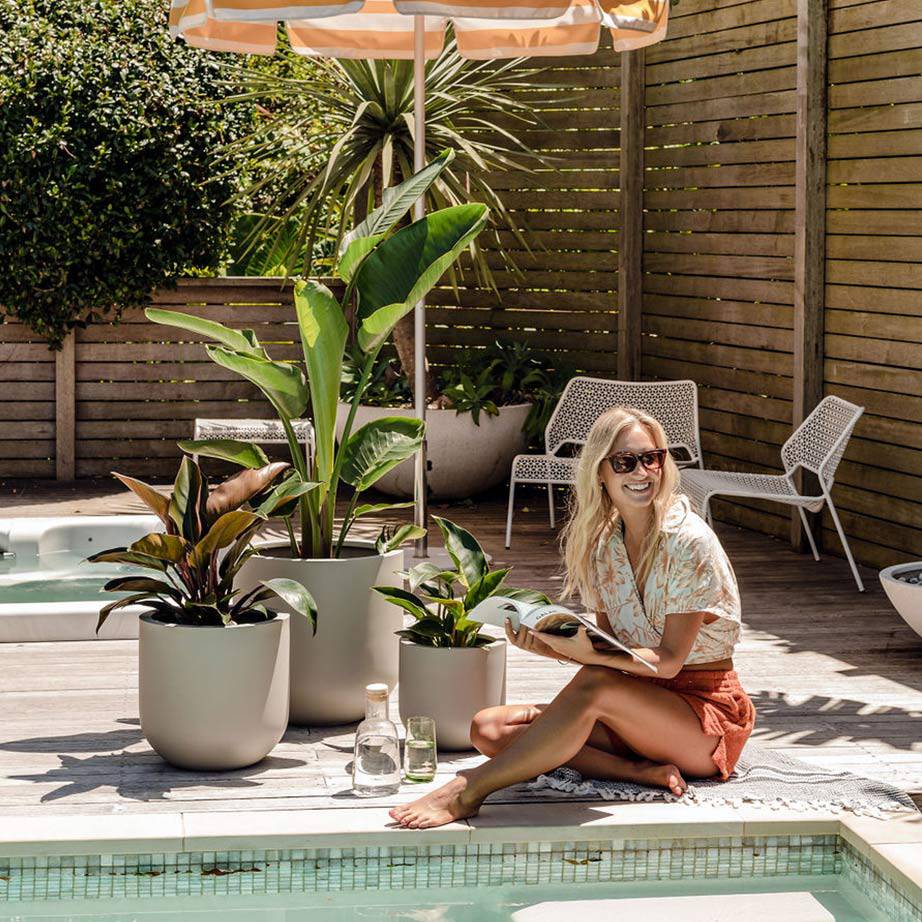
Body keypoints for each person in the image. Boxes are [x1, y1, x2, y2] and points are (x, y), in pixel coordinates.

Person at [389, 405, 756, 830]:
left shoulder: (689, 542)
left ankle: (469, 789)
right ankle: (639, 772)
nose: (642, 472)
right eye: (625, 462)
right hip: (634, 703)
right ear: (601, 471)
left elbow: (669, 661)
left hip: (703, 716)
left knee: (597, 686)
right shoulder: (605, 546)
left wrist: (588, 659)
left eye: (652, 458)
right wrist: (550, 647)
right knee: (489, 728)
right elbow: (611, 650)